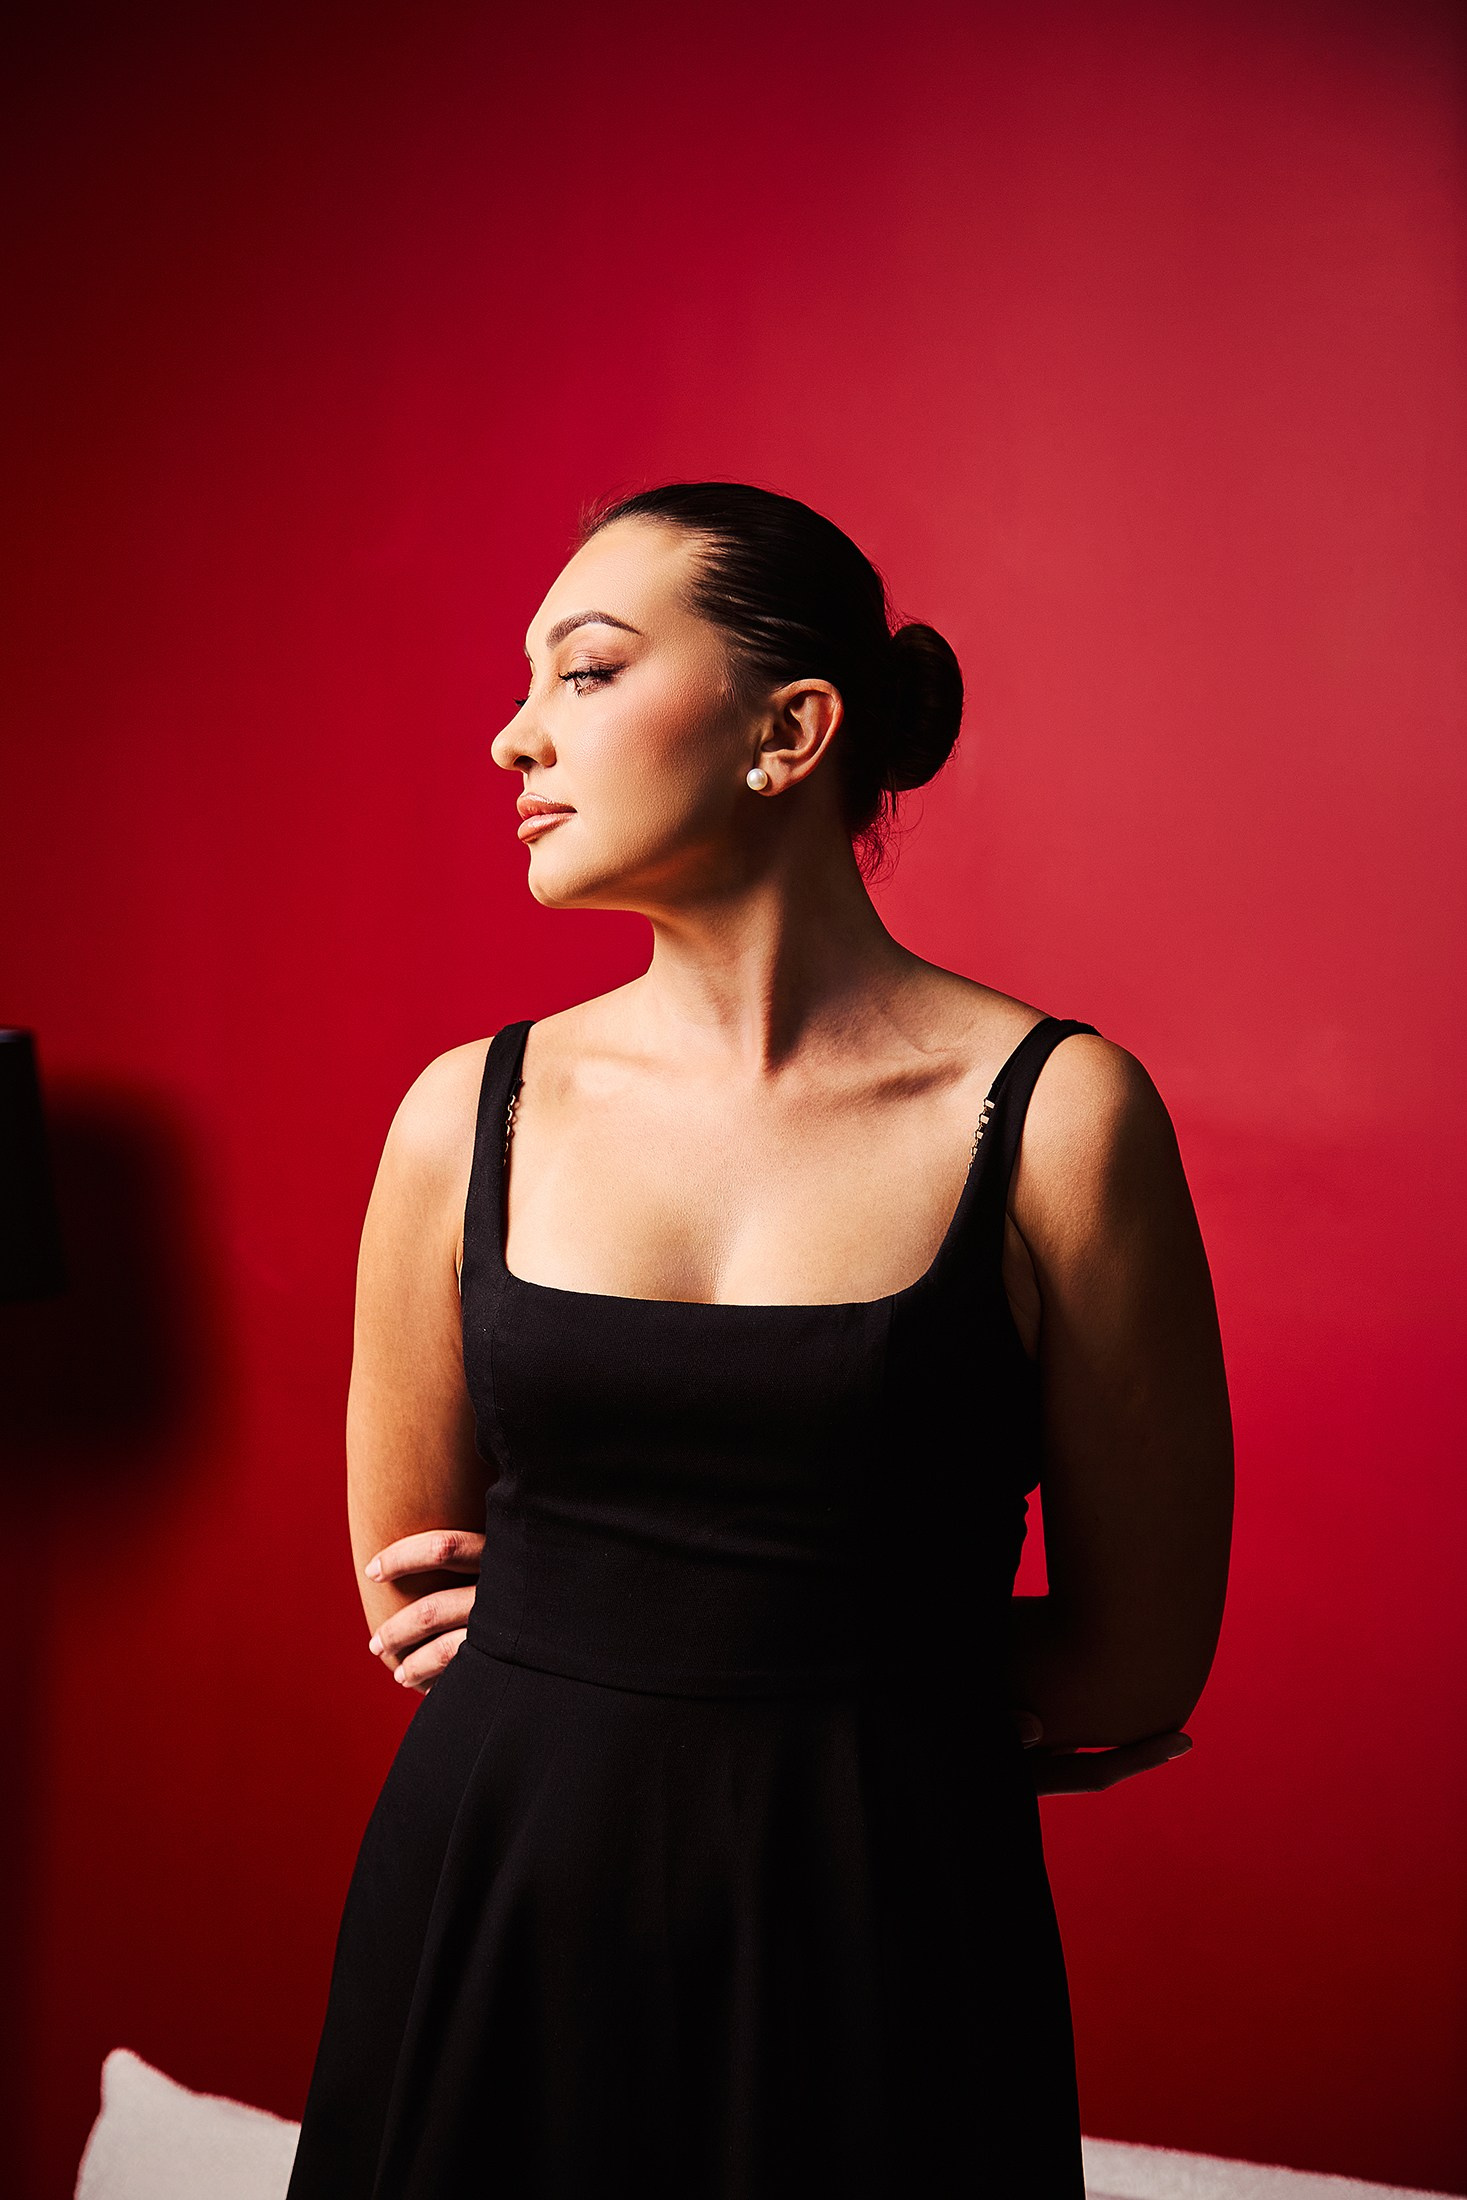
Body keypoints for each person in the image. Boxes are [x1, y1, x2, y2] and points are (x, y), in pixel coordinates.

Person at [284, 480, 1234, 2199]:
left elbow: (1137, 1662)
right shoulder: (464, 1112)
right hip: (497, 1893)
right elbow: (411, 1580)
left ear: (789, 732)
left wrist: (711, 1672)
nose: (513, 737)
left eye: (584, 671)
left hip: (884, 1931)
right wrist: (853, 1680)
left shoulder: (1061, 1115)